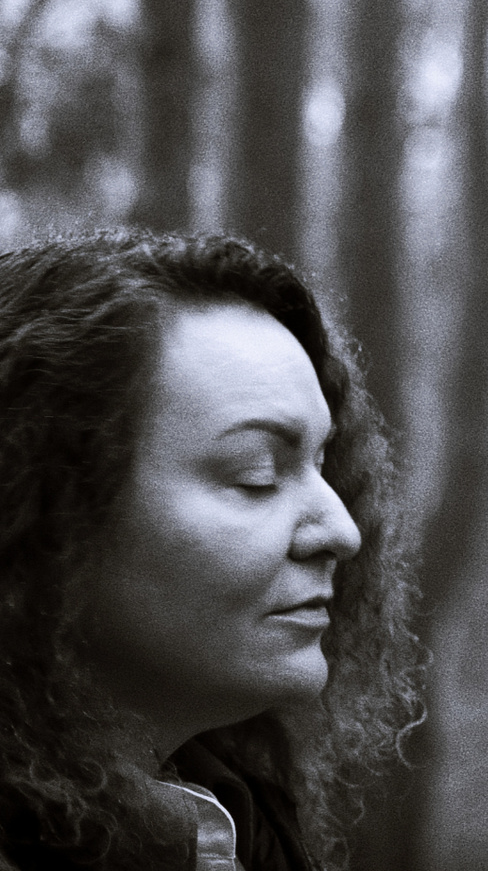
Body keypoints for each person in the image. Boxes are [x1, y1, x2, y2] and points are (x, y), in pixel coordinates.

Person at [0, 230, 421, 871]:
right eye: (257, 474)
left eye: (322, 464)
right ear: (39, 510)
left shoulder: (246, 832)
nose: (342, 531)